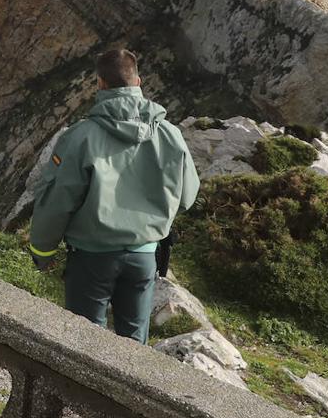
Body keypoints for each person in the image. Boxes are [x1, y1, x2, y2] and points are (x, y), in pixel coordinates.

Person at [27, 48, 199, 344]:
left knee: (85, 343)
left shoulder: (80, 137)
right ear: (138, 81)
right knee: (133, 348)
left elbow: (58, 201)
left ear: (101, 84)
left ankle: (78, 391)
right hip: (144, 256)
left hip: (91, 257)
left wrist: (42, 253)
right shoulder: (170, 134)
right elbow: (186, 197)